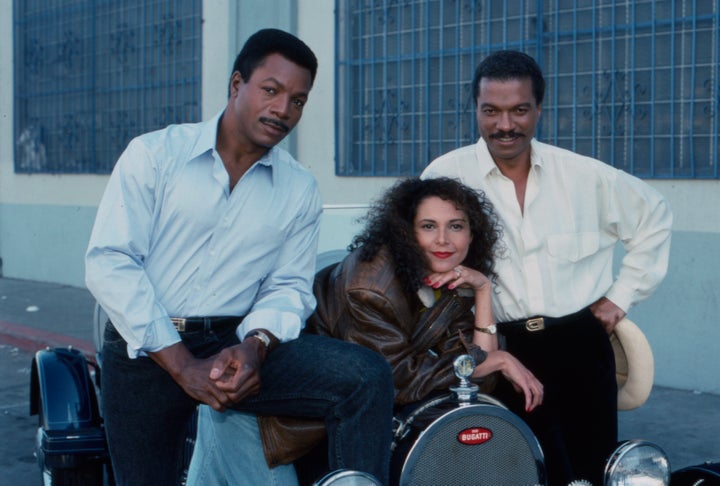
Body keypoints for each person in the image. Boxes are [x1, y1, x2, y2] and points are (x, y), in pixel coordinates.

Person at [85, 28, 394, 486]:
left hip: (236, 344)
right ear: (236, 85)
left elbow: (287, 287)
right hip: (147, 347)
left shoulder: (298, 187)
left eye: (298, 100)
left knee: (364, 376)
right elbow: (110, 261)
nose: (283, 110)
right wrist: (181, 364)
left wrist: (256, 345)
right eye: (271, 90)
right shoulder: (154, 155)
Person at [421, 50, 672, 485]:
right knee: (517, 469)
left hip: (582, 343)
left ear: (539, 108)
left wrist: (621, 296)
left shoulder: (583, 176)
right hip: (504, 348)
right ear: (475, 109)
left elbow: (655, 216)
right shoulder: (447, 175)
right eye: (491, 111)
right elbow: (424, 250)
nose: (505, 125)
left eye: (519, 110)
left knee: (593, 470)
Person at [191, 177, 544, 485]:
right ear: (406, 231)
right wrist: (493, 360)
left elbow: (471, 383)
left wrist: (482, 291)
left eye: (456, 226)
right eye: (428, 226)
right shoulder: (371, 283)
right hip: (262, 418)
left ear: (472, 232)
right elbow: (394, 379)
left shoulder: (451, 282)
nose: (443, 239)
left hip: (321, 423)